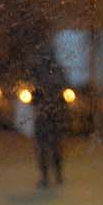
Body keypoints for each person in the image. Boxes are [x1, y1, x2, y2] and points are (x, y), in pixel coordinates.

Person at [29, 57, 67, 188]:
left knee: (45, 149)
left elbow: (33, 100)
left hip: (45, 119)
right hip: (51, 119)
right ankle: (55, 174)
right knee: (53, 148)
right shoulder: (56, 77)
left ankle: (48, 176)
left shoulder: (40, 79)